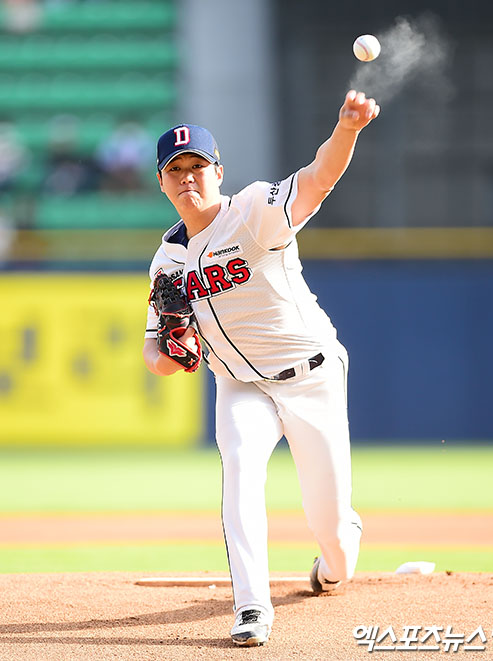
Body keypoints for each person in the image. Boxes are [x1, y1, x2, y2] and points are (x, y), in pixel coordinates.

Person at [143, 89, 380, 647]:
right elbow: (154, 351)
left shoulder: (253, 211)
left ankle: (335, 557)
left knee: (330, 527)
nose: (187, 177)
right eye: (175, 170)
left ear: (218, 172)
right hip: (239, 386)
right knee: (241, 473)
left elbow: (317, 180)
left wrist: (346, 130)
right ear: (161, 183)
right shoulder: (166, 261)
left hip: (310, 374)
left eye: (197, 166)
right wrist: (172, 357)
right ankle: (252, 606)